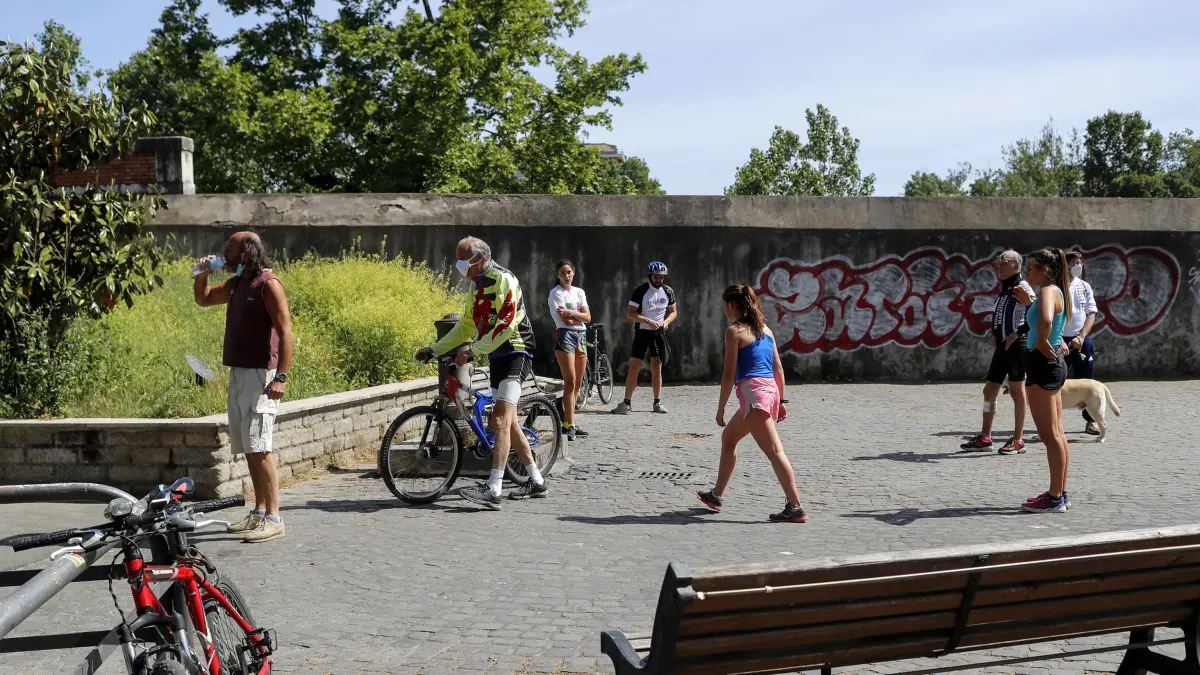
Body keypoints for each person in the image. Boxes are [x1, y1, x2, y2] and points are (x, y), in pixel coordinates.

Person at [416, 237, 546, 509]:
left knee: (499, 420)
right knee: (509, 422)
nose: (459, 264)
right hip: (497, 354)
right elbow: (466, 325)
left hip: (517, 350)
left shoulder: (504, 279)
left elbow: (506, 324)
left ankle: (494, 488)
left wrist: (474, 351)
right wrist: (434, 349)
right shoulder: (476, 286)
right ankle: (536, 480)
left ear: (480, 258)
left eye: (463, 258)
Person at [193, 232, 293, 543]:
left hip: (261, 375)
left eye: (230, 248)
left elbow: (286, 332)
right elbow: (203, 299)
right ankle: (259, 512)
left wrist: (281, 377)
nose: (225, 252)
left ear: (247, 252)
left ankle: (274, 518)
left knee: (260, 447)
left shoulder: (268, 285)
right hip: (239, 372)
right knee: (249, 447)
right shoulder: (237, 284)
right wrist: (202, 274)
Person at [696, 285, 807, 522]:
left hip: (754, 396)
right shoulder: (766, 329)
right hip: (768, 392)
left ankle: (795, 506)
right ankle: (716, 495)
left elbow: (728, 375)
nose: (724, 309)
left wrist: (721, 407)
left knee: (775, 452)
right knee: (729, 438)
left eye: (724, 305)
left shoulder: (734, 332)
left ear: (731, 305)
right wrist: (781, 400)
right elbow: (778, 369)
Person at [961, 250, 1030, 455]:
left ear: (1017, 265)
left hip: (1016, 346)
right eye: (998, 262)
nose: (999, 265)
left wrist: (1017, 334)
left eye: (1004, 261)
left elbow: (1036, 314)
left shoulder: (1022, 286)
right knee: (989, 391)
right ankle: (985, 438)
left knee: (1017, 392)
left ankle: (1018, 439)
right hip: (1002, 346)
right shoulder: (1006, 288)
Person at [1021, 248, 1074, 514]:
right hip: (1051, 365)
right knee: (1058, 433)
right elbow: (1045, 318)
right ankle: (1059, 493)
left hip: (1042, 365)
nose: (1026, 273)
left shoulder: (1047, 291)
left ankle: (1054, 497)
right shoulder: (1055, 291)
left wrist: (1041, 341)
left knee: (1050, 435)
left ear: (1044, 270)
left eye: (1030, 268)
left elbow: (1045, 320)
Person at [611, 261, 677, 415]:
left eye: (661, 277)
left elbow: (673, 311)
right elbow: (630, 313)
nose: (659, 280)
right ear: (650, 276)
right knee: (634, 367)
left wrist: (666, 322)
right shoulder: (641, 291)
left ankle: (657, 402)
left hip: (658, 333)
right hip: (642, 332)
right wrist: (648, 321)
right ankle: (626, 402)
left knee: (657, 368)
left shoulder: (668, 291)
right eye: (656, 277)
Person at [548, 259, 591, 440]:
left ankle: (568, 422)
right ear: (557, 275)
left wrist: (572, 313)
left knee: (578, 383)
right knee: (570, 381)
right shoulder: (555, 293)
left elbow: (587, 318)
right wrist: (577, 316)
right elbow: (565, 321)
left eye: (569, 272)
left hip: (581, 336)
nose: (566, 276)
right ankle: (570, 424)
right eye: (562, 273)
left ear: (573, 273)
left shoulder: (579, 292)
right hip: (565, 336)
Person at [1062, 250, 1101, 436]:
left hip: (1081, 340)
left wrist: (1081, 336)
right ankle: (1053, 422)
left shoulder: (1085, 286)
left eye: (1080, 263)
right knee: (1056, 381)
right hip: (1059, 341)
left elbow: (1091, 313)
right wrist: (1058, 339)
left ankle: (1091, 421)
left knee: (1087, 382)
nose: (1078, 266)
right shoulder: (1055, 287)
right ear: (1065, 265)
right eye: (1074, 263)